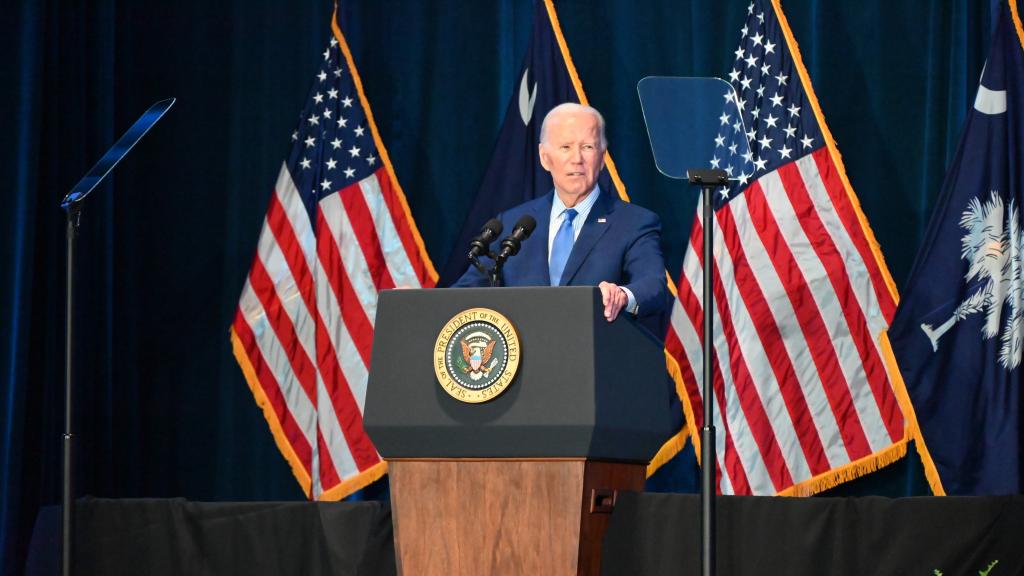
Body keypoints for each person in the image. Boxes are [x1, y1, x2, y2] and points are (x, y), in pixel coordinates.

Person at [453, 102, 669, 335]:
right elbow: (465, 292)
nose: (577, 158)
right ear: (544, 157)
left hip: (596, 352)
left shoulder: (634, 223)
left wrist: (622, 296)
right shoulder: (512, 223)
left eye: (587, 147)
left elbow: (653, 285)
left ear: (602, 157)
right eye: (565, 147)